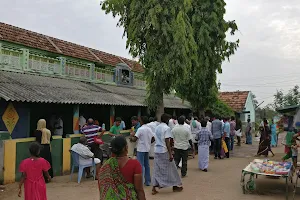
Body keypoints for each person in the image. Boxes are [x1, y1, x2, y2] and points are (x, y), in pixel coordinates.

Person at [152, 113, 183, 195]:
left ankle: (154, 187)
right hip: (164, 150)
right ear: (166, 120)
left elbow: (153, 138)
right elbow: (167, 142)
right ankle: (175, 186)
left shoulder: (157, 127)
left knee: (157, 169)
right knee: (172, 169)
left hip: (157, 150)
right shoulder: (166, 128)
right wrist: (170, 154)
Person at [130, 116, 155, 186]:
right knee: (147, 165)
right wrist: (148, 143)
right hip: (147, 149)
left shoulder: (140, 129)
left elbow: (135, 139)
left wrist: (131, 138)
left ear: (142, 121)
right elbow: (153, 138)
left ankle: (140, 182)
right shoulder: (149, 129)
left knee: (140, 165)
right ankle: (147, 181)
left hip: (141, 149)